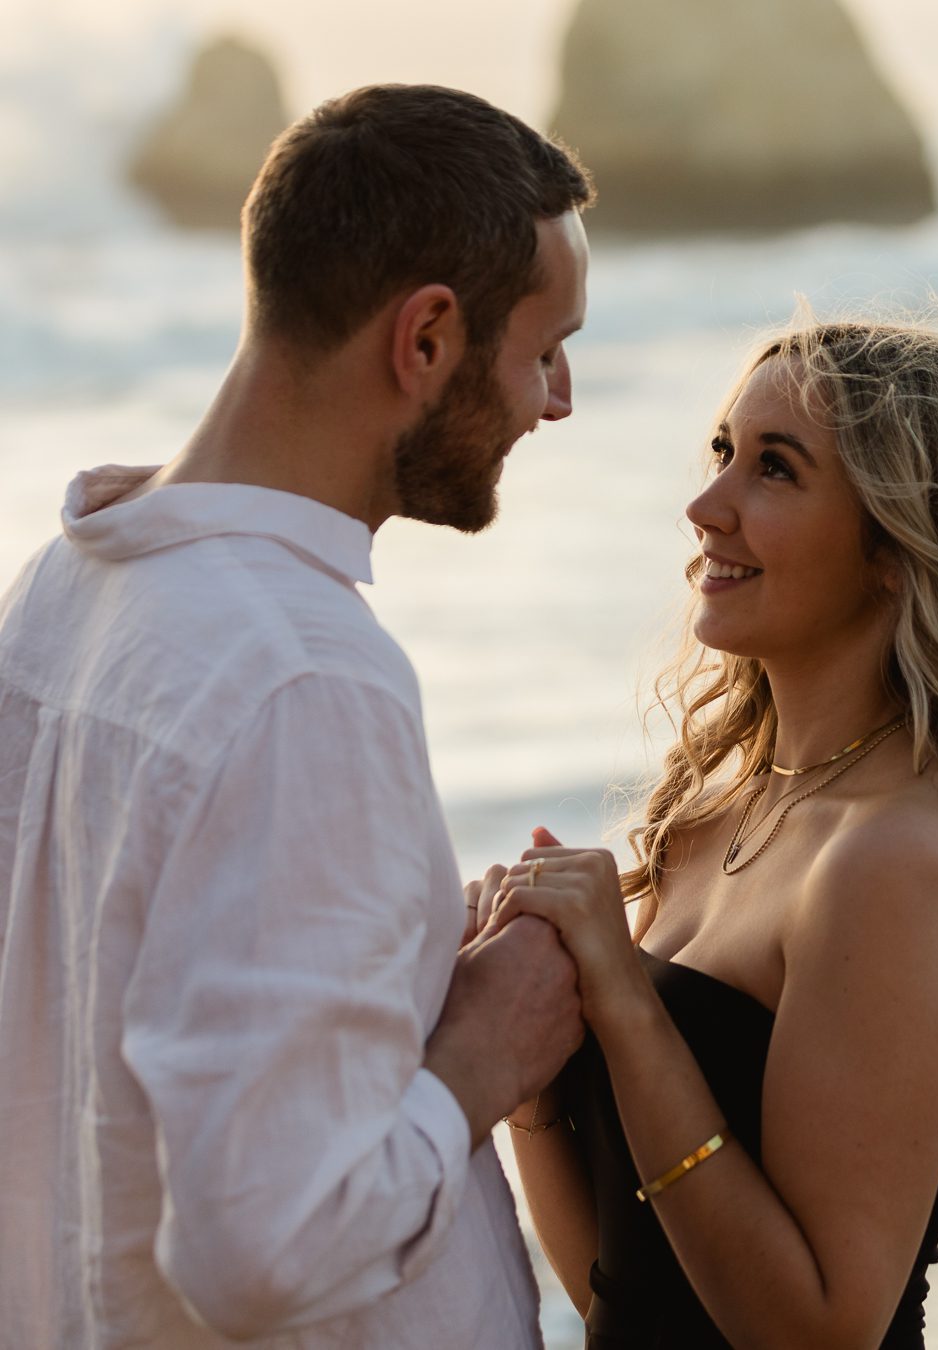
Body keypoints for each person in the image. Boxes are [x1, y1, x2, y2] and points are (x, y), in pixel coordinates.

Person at [0, 84, 593, 1348]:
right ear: (425, 338)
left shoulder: (58, 599)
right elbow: (265, 1250)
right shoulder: (301, 680)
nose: (560, 399)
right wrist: (487, 1052)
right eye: (544, 348)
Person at [475, 318, 938, 1347]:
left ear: (896, 548)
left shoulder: (906, 861)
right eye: (722, 454)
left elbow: (819, 1333)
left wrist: (622, 1000)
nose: (706, 507)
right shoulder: (717, 810)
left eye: (774, 470)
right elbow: (619, 1290)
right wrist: (529, 1069)